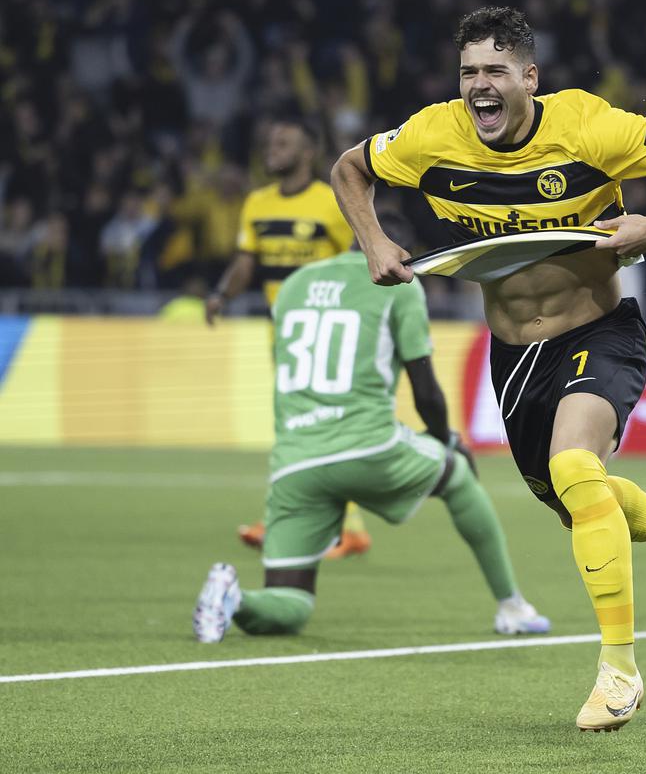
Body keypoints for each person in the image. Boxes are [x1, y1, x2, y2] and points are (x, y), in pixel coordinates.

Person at [330, 7, 646, 731]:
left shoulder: (588, 127)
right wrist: (373, 240)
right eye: (468, 73)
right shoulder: (433, 135)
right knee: (575, 503)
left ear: (530, 76)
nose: (479, 87)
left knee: (576, 471)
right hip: (513, 355)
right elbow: (349, 169)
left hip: (599, 330)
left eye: (494, 71)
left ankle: (619, 672)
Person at [193, 248, 550, 643]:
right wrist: (446, 439)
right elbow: (425, 388)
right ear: (401, 251)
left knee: (290, 602)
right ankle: (512, 606)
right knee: (458, 475)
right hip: (368, 446)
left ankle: (235, 597)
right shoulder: (396, 282)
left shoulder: (295, 284)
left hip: (295, 461)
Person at [207, 116, 371, 559]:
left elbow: (361, 255)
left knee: (320, 426)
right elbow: (247, 261)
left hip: (330, 332)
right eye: (269, 142)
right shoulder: (257, 203)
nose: (271, 149)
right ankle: (330, 525)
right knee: (301, 427)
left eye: (283, 142)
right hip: (283, 334)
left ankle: (321, 524)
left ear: (307, 153)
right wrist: (222, 293)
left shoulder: (329, 202)